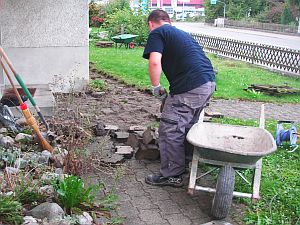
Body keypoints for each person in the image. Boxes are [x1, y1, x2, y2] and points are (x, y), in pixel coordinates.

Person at [143, 9, 216, 187]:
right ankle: (187, 161)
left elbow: (154, 61)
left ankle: (172, 174)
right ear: (169, 21)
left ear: (151, 24)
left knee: (170, 128)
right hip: (208, 83)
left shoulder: (158, 32)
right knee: (188, 126)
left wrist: (156, 87)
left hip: (190, 87)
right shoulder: (181, 33)